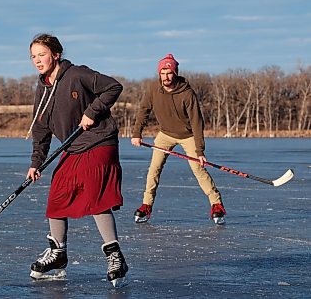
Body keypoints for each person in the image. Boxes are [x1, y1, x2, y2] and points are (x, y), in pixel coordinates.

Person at [25, 33, 128, 288]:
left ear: (55, 54)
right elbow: (40, 129)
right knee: (58, 194)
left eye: (42, 54)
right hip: (74, 146)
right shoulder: (43, 88)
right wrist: (36, 162)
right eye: (33, 56)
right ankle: (58, 253)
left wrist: (92, 112)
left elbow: (113, 86)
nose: (37, 60)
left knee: (95, 194)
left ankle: (115, 256)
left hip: (99, 140)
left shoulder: (77, 74)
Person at [131, 54, 226, 225]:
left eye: (169, 73)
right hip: (165, 134)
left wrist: (200, 151)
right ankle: (146, 205)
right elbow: (143, 110)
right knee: (154, 169)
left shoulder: (187, 94)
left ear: (175, 73)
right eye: (163, 73)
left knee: (198, 170)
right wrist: (137, 133)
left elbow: (197, 123)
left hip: (188, 135)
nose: (166, 77)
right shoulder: (153, 89)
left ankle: (216, 204)